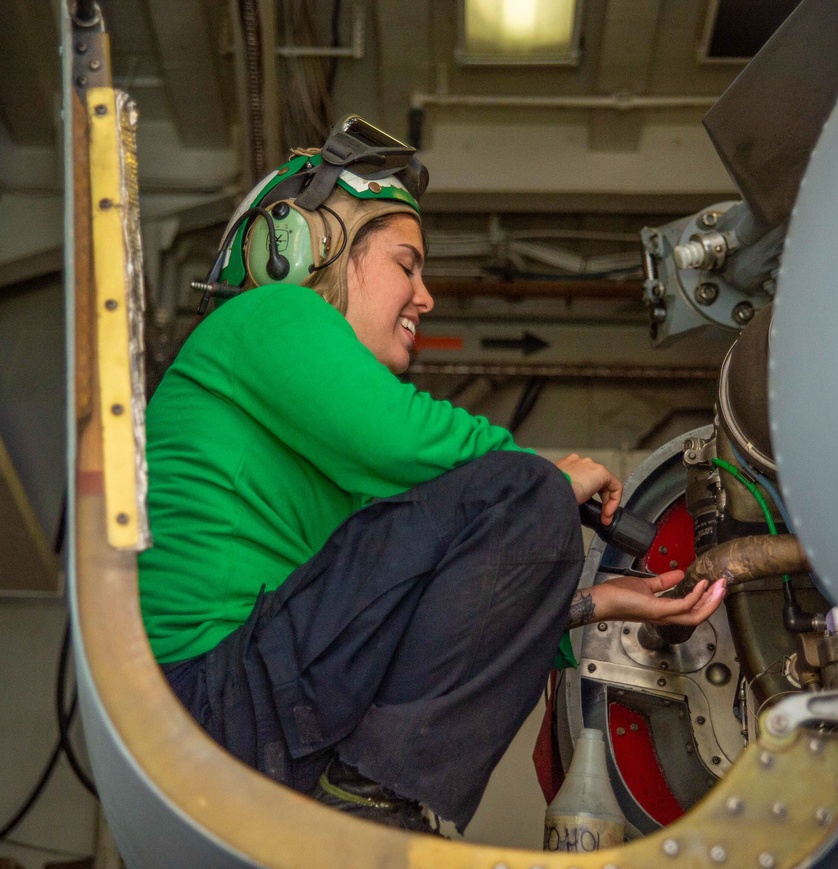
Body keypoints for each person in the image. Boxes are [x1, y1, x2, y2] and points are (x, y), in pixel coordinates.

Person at [138, 117, 726, 836]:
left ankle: (367, 794)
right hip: (214, 695)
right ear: (306, 250)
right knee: (519, 493)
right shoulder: (269, 313)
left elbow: (434, 608)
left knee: (517, 504)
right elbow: (418, 446)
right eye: (406, 264)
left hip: (245, 720)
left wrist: (600, 602)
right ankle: (374, 792)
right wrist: (542, 481)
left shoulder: (321, 465)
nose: (426, 297)